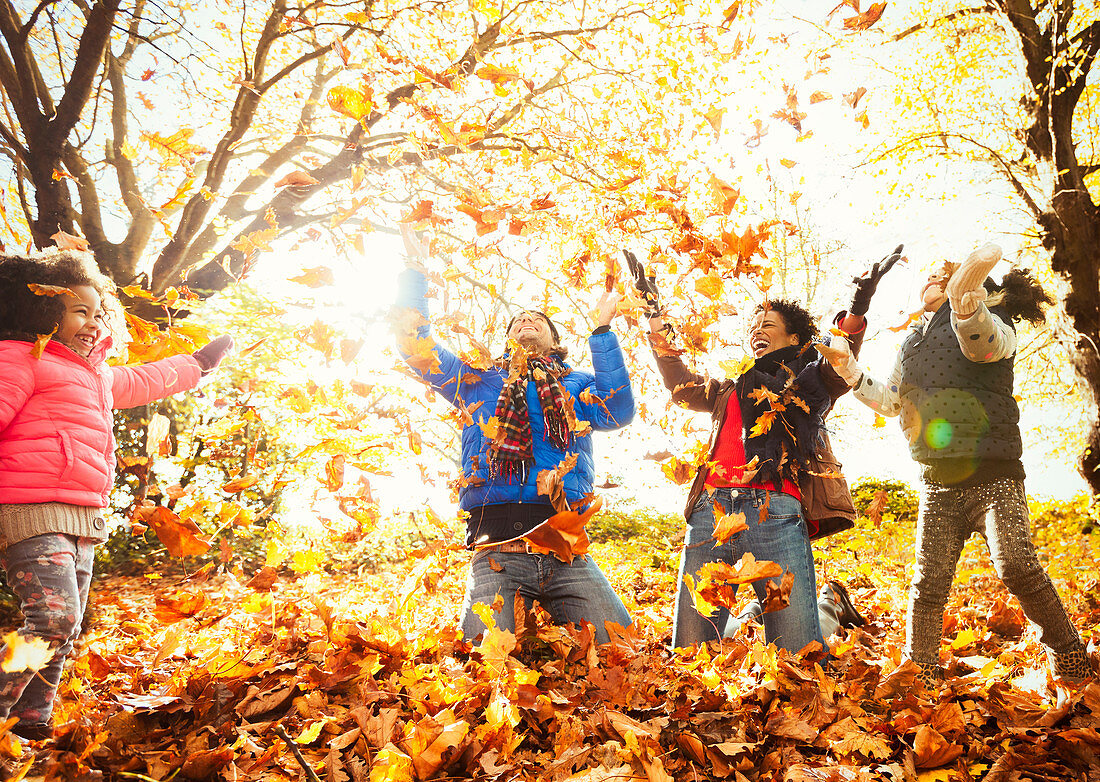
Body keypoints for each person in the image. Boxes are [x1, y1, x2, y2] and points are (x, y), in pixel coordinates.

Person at [826, 243, 1092, 684]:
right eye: (929, 277)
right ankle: (920, 668)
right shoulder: (911, 342)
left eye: (942, 275)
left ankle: (1068, 655)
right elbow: (891, 401)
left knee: (1017, 565)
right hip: (937, 480)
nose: (931, 281)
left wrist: (966, 306)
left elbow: (983, 349)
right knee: (928, 583)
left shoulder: (994, 321)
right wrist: (851, 371)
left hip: (994, 474)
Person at [0, 251, 232, 742]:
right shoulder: (22, 358)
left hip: (83, 514)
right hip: (29, 508)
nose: (93, 321)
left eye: (98, 312)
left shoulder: (98, 375)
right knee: (52, 616)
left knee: (67, 626)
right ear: (44, 312)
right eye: (79, 310)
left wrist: (198, 364)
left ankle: (29, 724)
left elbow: (145, 380)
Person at [629, 248, 898, 652]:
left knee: (797, 653)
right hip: (710, 516)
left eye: (768, 323)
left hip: (775, 514)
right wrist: (654, 312)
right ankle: (755, 615)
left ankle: (828, 606)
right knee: (692, 650)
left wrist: (857, 309)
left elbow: (841, 361)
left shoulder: (810, 382)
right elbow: (678, 382)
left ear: (794, 337)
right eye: (753, 324)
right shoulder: (727, 389)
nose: (757, 329)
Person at [394, 227, 635, 643]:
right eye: (518, 319)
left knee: (623, 652)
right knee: (484, 667)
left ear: (554, 339)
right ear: (507, 338)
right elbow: (417, 348)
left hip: (564, 542)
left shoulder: (577, 385)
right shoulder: (477, 380)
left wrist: (602, 330)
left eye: (537, 319)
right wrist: (415, 271)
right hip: (496, 547)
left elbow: (618, 409)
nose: (526, 320)